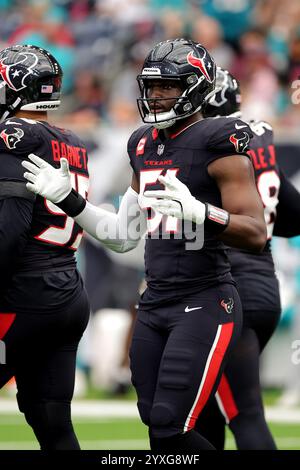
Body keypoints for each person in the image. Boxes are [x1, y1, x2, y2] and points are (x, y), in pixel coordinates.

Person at [22, 38, 267, 452]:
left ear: (196, 86)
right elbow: (122, 236)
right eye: (151, 87)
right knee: (156, 428)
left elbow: (256, 233)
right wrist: (70, 201)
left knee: (172, 425)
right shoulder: (143, 144)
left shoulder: (218, 138)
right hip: (154, 304)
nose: (155, 96)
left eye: (168, 86)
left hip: (205, 299)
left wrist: (201, 212)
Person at [195, 67, 300, 450]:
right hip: (263, 286)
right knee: (206, 411)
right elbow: (292, 217)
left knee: (243, 413)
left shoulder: (206, 144)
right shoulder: (258, 141)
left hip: (224, 290)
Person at [0, 45, 90, 450]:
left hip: (24, 293)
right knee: (52, 422)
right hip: (68, 290)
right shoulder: (70, 140)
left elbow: (10, 230)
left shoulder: (16, 135)